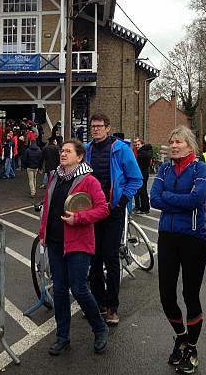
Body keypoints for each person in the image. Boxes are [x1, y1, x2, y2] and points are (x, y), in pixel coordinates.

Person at [38, 139, 110, 356]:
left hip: (78, 242)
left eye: (68, 151)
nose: (63, 153)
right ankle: (62, 337)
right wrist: (43, 232)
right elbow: (48, 206)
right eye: (62, 150)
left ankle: (100, 328)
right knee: (59, 290)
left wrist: (78, 218)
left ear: (79, 157)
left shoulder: (89, 181)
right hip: (55, 241)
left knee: (78, 288)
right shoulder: (54, 177)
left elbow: (103, 209)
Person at [150, 126, 206, 374]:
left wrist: (169, 199)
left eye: (179, 142)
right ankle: (181, 336)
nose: (174, 146)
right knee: (166, 296)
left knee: (190, 295)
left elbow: (197, 200)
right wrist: (179, 200)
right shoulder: (164, 169)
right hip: (167, 237)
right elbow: (154, 199)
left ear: (190, 145)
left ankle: (192, 348)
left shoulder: (200, 168)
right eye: (171, 141)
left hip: (193, 238)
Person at [85, 113, 142, 326]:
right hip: (93, 211)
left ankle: (112, 306)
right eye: (93, 126)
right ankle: (98, 302)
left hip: (113, 211)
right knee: (94, 258)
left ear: (108, 128)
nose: (96, 129)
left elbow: (136, 179)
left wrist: (120, 203)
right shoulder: (88, 149)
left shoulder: (121, 150)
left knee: (110, 257)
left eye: (100, 126)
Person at [132, 137, 153, 214]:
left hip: (142, 173)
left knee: (142, 191)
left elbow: (138, 164)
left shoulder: (141, 153)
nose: (137, 146)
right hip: (144, 173)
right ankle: (145, 208)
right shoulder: (146, 152)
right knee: (142, 191)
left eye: (138, 144)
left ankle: (144, 208)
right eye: (135, 144)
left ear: (142, 144)